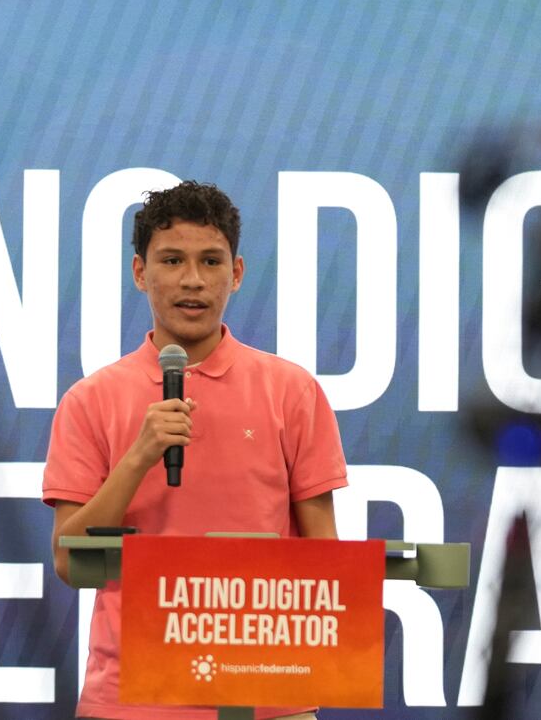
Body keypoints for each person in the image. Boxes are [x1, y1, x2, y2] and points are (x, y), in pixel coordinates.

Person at [43, 180, 347, 720]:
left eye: (211, 261)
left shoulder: (292, 390)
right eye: (171, 260)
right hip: (131, 702)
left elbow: (322, 554)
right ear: (140, 273)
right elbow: (71, 562)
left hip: (268, 700)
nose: (192, 280)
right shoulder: (90, 401)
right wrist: (140, 454)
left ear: (237, 274)